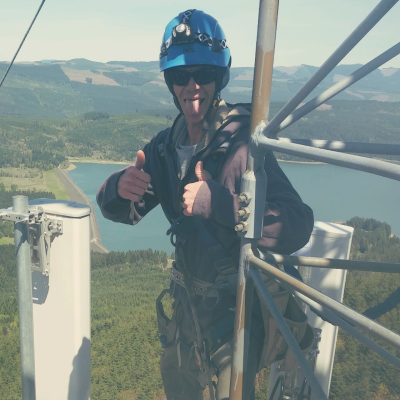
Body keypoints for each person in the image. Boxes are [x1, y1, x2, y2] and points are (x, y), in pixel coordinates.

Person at [97, 9, 314, 400]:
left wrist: (220, 205)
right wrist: (118, 188)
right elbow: (122, 213)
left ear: (220, 78)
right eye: (181, 76)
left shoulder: (241, 146)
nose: (193, 85)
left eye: (204, 74)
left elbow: (297, 224)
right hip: (186, 314)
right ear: (170, 83)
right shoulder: (165, 147)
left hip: (234, 318)